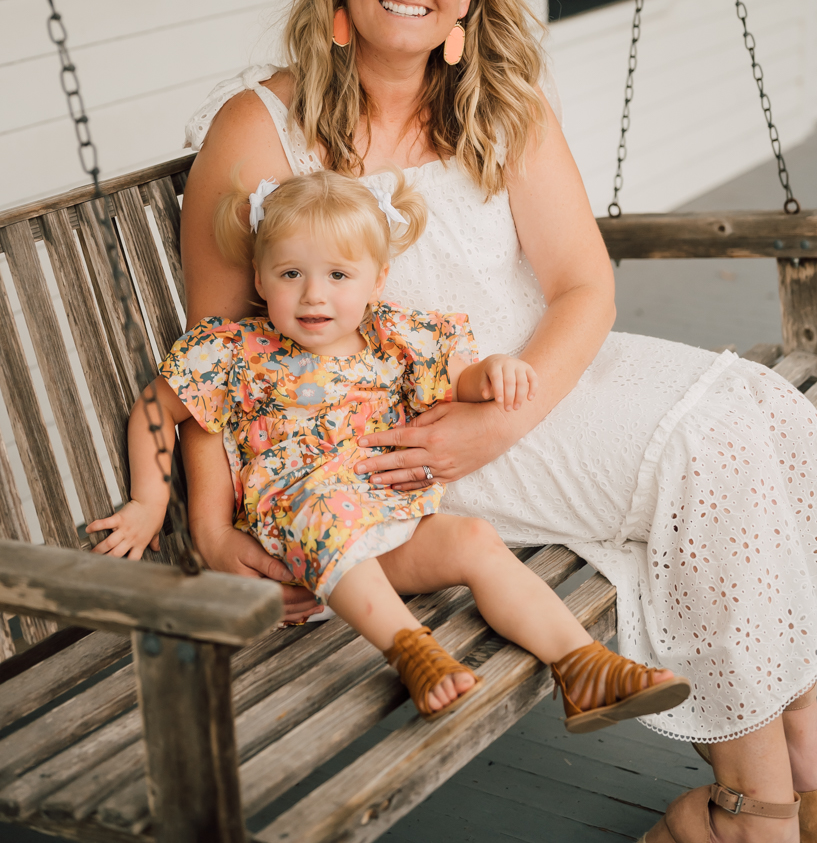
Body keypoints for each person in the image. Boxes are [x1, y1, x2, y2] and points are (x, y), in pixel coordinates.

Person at [174, 0, 813, 838]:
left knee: (767, 411)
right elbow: (222, 358)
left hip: (530, 383)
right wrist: (214, 527)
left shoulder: (500, 107)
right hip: (400, 442)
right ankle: (753, 812)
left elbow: (583, 286)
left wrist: (506, 416)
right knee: (710, 452)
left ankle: (798, 757)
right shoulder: (261, 129)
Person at [89, 167, 691, 726]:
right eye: (291, 274)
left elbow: (460, 380)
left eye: (338, 276)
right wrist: (148, 502)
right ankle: (413, 654)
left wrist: (493, 373)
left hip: (385, 531)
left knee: (474, 539)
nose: (314, 296)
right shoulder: (233, 351)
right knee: (326, 509)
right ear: (259, 278)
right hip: (302, 546)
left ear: (377, 280)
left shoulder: (393, 337)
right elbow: (155, 410)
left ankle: (584, 668)